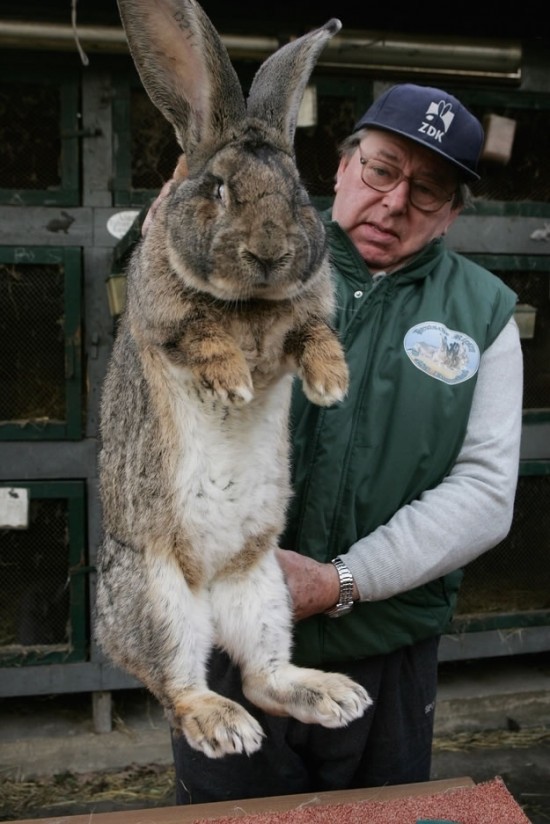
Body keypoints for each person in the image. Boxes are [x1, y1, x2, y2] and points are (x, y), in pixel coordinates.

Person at [150, 83, 523, 803]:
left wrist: (342, 582)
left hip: (384, 650)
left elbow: (484, 490)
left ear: (451, 213)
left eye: (428, 190)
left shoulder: (483, 316)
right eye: (382, 170)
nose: (393, 203)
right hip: (231, 644)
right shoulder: (246, 259)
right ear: (343, 167)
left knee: (377, 813)